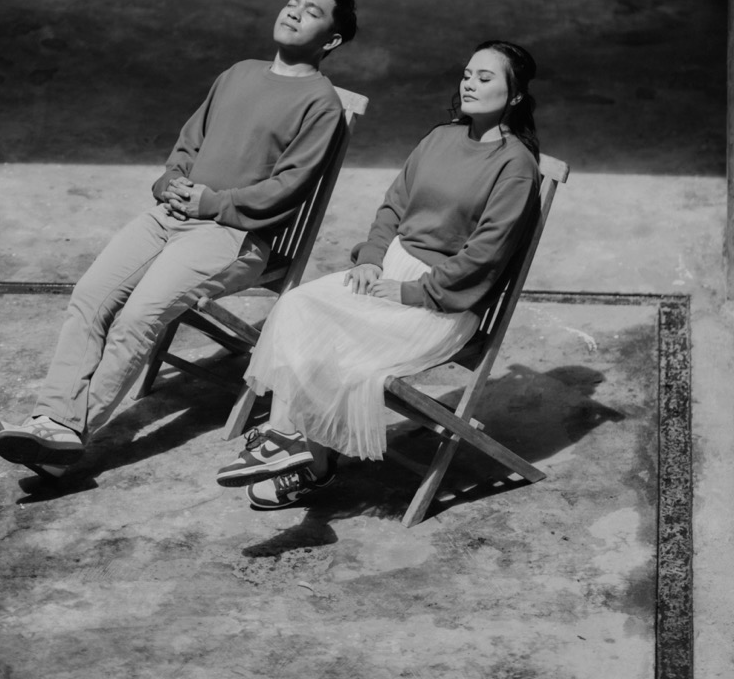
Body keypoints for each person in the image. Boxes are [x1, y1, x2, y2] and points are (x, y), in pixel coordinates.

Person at [0, 0, 358, 477]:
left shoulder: (321, 104)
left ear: (331, 40)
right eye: (292, 3)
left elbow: (288, 189)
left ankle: (67, 431)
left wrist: (213, 202)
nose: (294, 12)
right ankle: (52, 422)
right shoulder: (238, 73)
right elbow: (188, 142)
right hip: (170, 215)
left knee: (137, 317)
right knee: (90, 297)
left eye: (312, 11)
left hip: (232, 236)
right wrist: (171, 182)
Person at [215, 39, 541, 510]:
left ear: (515, 95)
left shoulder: (516, 166)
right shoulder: (439, 138)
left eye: (485, 78)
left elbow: (485, 256)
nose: (469, 84)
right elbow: (394, 205)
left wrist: (412, 291)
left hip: (441, 301)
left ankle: (311, 462)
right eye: (467, 74)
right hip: (388, 269)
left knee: (341, 351)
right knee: (298, 304)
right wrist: (370, 258)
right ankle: (288, 439)